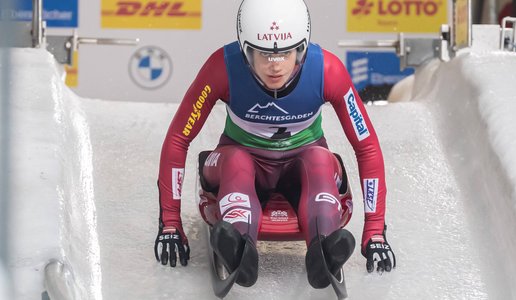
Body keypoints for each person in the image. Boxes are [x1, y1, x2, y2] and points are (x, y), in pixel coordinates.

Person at [154, 0, 396, 289]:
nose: (275, 66)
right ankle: (239, 245)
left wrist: (375, 231)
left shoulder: (328, 70)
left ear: (302, 49)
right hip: (239, 159)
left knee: (320, 159)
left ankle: (325, 246)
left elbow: (366, 146)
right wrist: (170, 224)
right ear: (245, 52)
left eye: (285, 53)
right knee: (236, 163)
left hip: (303, 163)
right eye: (263, 54)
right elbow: (179, 138)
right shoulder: (222, 67)